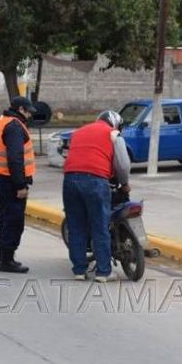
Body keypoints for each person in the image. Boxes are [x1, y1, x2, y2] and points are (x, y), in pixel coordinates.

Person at [62, 110, 131, 283]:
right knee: (99, 226)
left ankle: (79, 270)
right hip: (94, 181)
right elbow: (122, 165)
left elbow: (70, 155)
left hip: (70, 180)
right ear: (114, 123)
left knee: (76, 226)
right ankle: (103, 272)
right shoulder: (113, 134)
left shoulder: (78, 132)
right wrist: (124, 183)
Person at [0, 97, 37, 273]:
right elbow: (15, 158)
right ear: (21, 109)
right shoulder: (15, 127)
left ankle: (2, 257)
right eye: (28, 111)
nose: (30, 115)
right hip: (11, 182)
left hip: (1, 178)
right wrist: (20, 185)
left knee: (5, 218)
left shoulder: (0, 122)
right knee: (14, 221)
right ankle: (7, 260)